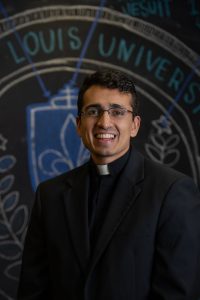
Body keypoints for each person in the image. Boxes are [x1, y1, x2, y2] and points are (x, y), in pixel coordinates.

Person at [18, 69, 200, 300]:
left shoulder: (172, 192)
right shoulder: (50, 195)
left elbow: (177, 294)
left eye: (117, 112)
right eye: (93, 111)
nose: (104, 122)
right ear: (78, 124)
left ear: (134, 125)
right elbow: (32, 291)